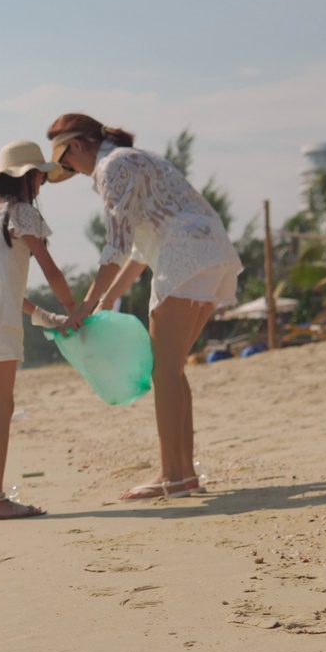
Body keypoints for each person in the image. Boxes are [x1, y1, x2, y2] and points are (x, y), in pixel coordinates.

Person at [46, 113, 243, 501]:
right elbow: (137, 250)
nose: (69, 168)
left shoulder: (111, 166)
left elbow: (116, 245)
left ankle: (172, 477)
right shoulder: (138, 158)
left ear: (79, 144)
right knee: (171, 370)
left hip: (184, 255)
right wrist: (105, 300)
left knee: (164, 371)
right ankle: (181, 474)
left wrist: (85, 306)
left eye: (67, 159)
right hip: (212, 253)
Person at [0, 141, 77, 521]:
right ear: (28, 177)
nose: (42, 183)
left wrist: (43, 315)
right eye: (40, 175)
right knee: (2, 409)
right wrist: (74, 310)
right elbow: (51, 270)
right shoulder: (22, 214)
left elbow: (1, 285)